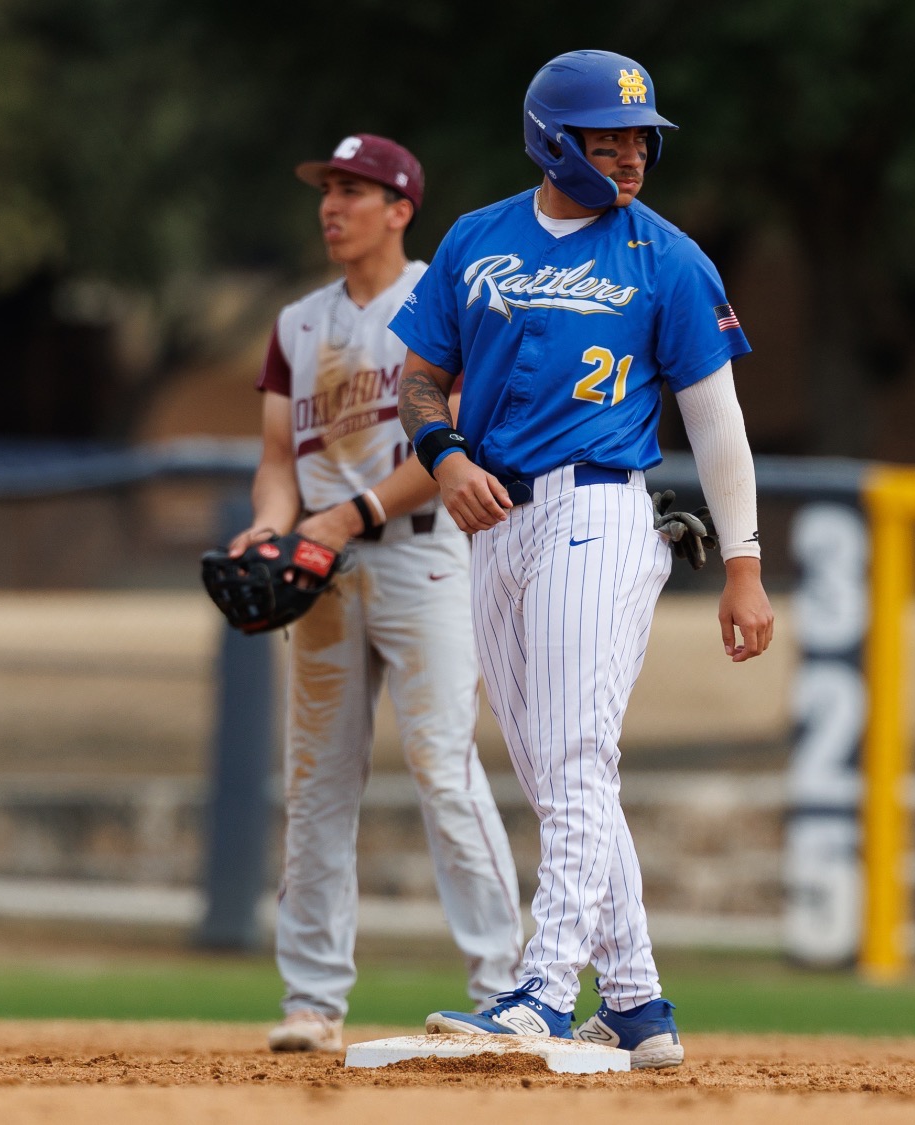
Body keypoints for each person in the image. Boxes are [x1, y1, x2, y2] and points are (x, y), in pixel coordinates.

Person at [389, 51, 773, 1070]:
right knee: (557, 773)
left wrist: (742, 562)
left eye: (641, 137)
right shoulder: (477, 239)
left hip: (598, 509)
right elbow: (419, 377)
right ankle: (638, 1005)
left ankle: (543, 991)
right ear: (552, 140)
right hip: (492, 519)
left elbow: (717, 424)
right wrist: (444, 456)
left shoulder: (668, 258)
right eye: (609, 138)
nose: (632, 154)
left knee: (573, 760)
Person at [232, 133, 523, 1054]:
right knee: (316, 782)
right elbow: (278, 460)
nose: (332, 205)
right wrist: (270, 527)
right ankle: (311, 999)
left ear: (401, 209)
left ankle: (505, 987)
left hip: (423, 556)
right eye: (328, 189)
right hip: (324, 566)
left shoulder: (445, 297)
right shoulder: (296, 323)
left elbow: (453, 441)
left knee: (442, 765)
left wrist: (348, 514)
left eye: (354, 191)